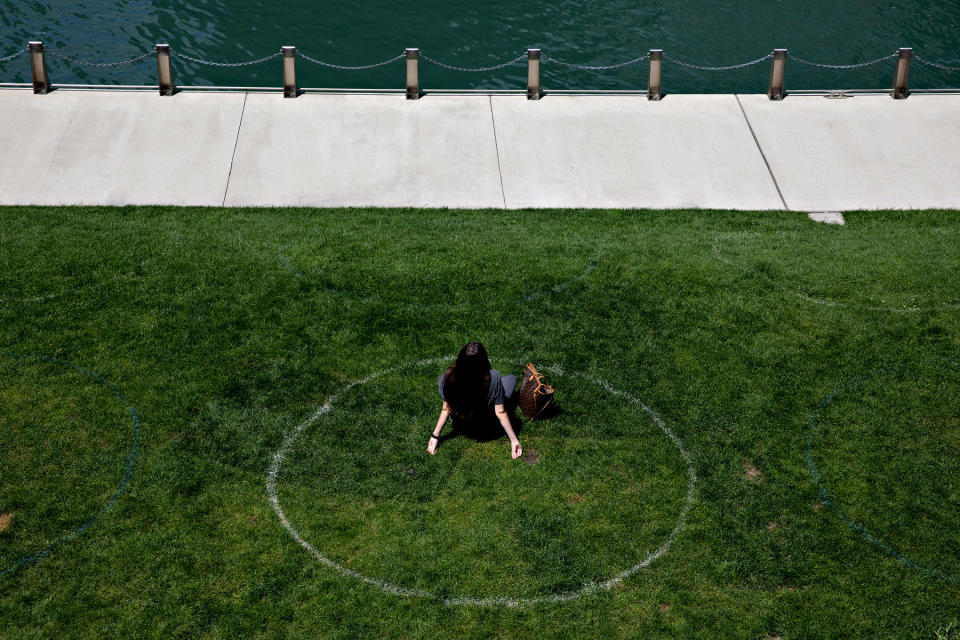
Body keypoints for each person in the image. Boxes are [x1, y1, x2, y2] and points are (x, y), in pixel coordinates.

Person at [427, 341, 522, 459]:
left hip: (460, 425)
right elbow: (500, 412)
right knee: (511, 379)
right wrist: (514, 440)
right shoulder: (494, 377)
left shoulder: (446, 379)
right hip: (485, 425)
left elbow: (446, 409)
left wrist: (435, 436)